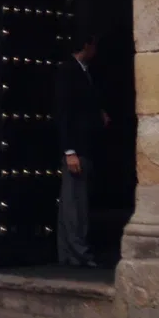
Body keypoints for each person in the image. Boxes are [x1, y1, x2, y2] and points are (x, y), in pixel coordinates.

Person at [54, 33, 109, 268]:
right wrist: (69, 151)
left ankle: (69, 253)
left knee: (75, 201)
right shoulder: (68, 71)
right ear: (87, 45)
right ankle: (78, 252)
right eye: (95, 45)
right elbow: (64, 112)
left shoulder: (84, 72)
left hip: (84, 145)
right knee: (74, 204)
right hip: (76, 147)